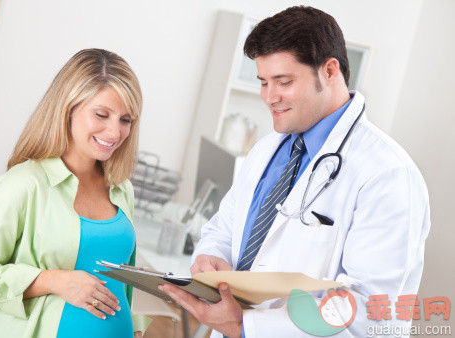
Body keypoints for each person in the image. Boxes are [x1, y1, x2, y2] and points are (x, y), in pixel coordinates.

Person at [160, 6, 430, 338]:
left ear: (329, 71)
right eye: (263, 82)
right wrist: (210, 257)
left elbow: (373, 314)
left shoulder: (387, 173)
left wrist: (248, 326)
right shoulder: (267, 149)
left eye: (283, 82)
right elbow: (224, 230)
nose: (269, 97)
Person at [0, 48, 151, 337]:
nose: (114, 132)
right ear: (68, 107)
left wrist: (131, 327)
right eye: (102, 114)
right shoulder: (22, 185)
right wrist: (53, 281)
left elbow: (121, 282)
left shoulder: (121, 189)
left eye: (125, 120)